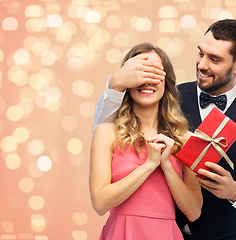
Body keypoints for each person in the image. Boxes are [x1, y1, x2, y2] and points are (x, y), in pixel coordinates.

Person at [92, 19, 236, 240]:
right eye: (201, 53)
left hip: (222, 235)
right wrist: (116, 85)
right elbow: (108, 127)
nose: (202, 65)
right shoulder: (165, 98)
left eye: (214, 59)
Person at [89, 43, 203, 240]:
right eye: (140, 73)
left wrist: (166, 164)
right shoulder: (106, 133)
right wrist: (149, 165)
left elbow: (193, 211)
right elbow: (99, 203)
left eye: (155, 73)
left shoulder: (186, 140)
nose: (147, 81)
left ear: (167, 83)